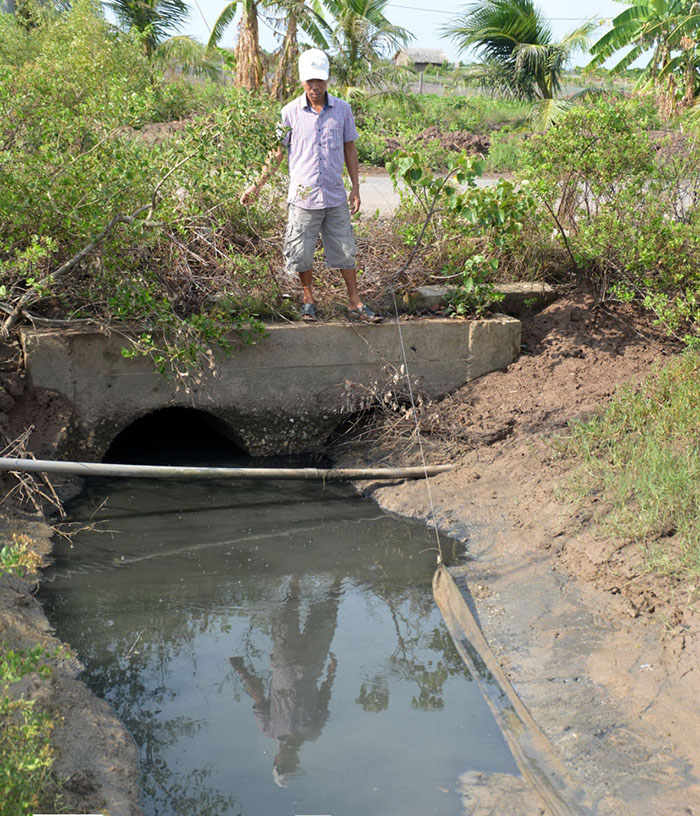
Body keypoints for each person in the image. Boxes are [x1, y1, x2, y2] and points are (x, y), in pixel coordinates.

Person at [240, 48, 381, 323]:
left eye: (320, 81)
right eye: (309, 81)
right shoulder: (289, 112)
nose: (315, 87)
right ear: (302, 81)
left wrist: (355, 187)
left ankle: (354, 302)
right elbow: (276, 153)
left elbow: (350, 148)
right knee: (301, 253)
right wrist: (255, 186)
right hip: (303, 198)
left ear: (327, 80)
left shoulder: (342, 109)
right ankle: (308, 300)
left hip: (334, 196)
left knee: (345, 250)